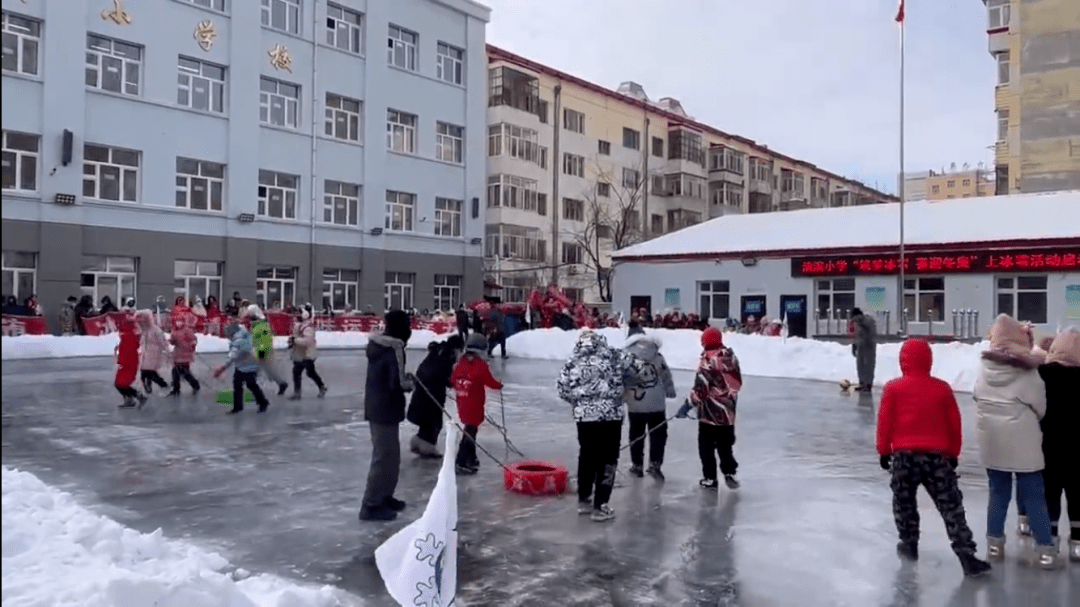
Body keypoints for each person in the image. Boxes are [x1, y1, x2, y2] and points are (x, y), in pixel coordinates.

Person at [877, 339, 992, 577]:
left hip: (903, 457)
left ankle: (909, 545)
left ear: (903, 360)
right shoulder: (941, 389)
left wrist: (884, 450)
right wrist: (953, 453)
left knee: (904, 504)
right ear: (929, 360)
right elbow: (954, 424)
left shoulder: (893, 388)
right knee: (950, 506)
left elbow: (885, 422)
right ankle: (966, 555)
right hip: (936, 457)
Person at [973, 314, 1060, 569]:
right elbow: (1040, 407)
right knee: (1034, 495)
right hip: (1024, 442)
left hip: (991, 441)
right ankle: (1045, 549)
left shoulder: (984, 370)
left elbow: (977, 396)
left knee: (998, 493)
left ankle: (994, 544)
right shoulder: (1029, 373)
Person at [557, 330, 644, 522]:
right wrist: (622, 388)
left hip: (585, 418)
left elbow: (563, 389)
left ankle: (584, 500)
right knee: (608, 458)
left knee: (587, 456)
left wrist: (580, 403)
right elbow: (637, 369)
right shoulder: (614, 355)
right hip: (610, 416)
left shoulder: (572, 361)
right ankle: (601, 505)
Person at [360, 310, 415, 522]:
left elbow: (389, 374)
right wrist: (410, 383)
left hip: (378, 406)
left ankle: (385, 497)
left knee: (391, 457)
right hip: (384, 408)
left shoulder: (380, 345)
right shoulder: (394, 348)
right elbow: (397, 383)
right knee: (384, 458)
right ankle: (370, 505)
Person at [1037, 328, 1080, 562]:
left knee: (1050, 494)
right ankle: (1078, 543)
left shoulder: (1042, 374)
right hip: (1077, 450)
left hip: (1049, 446)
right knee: (1077, 495)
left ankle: (1050, 542)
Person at [688, 327, 743, 490]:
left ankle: (710, 478)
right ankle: (729, 472)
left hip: (710, 414)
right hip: (727, 413)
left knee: (706, 447)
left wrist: (691, 401)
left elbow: (702, 389)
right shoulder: (731, 358)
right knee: (725, 445)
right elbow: (736, 384)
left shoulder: (708, 361)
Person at [623, 321, 676, 480]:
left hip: (636, 403)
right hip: (657, 404)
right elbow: (666, 376)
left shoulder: (626, 357)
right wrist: (670, 392)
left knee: (636, 434)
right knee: (658, 434)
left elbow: (621, 379)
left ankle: (637, 465)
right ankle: (655, 464)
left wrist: (620, 398)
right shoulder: (658, 356)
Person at [452, 334, 504, 475]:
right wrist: (499, 385)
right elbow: (488, 381)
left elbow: (452, 379)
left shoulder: (460, 363)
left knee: (470, 429)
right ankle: (461, 461)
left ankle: (471, 458)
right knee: (470, 432)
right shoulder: (480, 365)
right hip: (474, 403)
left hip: (462, 401)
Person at [407, 335, 464, 458]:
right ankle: (427, 447)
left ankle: (419, 443)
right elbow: (444, 374)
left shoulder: (438, 351)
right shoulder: (447, 355)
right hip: (432, 391)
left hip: (424, 388)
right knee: (433, 421)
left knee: (427, 419)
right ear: (457, 348)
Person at [214, 323, 269, 414]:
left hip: (246, 367)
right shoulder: (246, 335)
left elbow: (232, 358)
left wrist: (221, 369)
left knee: (243, 386)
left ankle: (259, 403)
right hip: (250, 365)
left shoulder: (238, 342)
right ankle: (260, 403)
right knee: (248, 385)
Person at [245, 304, 289, 396]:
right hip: (259, 352)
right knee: (257, 370)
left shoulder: (262, 326)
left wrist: (261, 350)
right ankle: (253, 386)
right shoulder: (257, 326)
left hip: (264, 352)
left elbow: (266, 340)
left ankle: (281, 384)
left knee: (269, 370)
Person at [288, 304, 327, 399]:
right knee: (297, 372)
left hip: (307, 354)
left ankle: (321, 387)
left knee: (309, 372)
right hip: (300, 353)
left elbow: (307, 341)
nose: (297, 314)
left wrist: (295, 340)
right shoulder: (300, 325)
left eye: (300, 312)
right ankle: (298, 392)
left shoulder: (308, 327)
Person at [114, 313, 147, 409]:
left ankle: (138, 397)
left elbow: (128, 352)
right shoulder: (129, 335)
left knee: (121, 384)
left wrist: (121, 363)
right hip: (128, 363)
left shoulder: (128, 336)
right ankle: (131, 399)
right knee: (121, 384)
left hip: (127, 364)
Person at [135, 310, 170, 394]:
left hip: (154, 355)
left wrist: (165, 351)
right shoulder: (143, 331)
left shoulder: (155, 330)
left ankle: (159, 386)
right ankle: (152, 387)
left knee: (148, 373)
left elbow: (163, 342)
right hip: (146, 354)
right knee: (148, 373)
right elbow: (140, 341)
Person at [167, 313, 200, 395]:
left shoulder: (187, 330)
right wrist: (172, 341)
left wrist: (192, 345)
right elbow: (174, 341)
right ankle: (176, 388)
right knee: (176, 371)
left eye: (180, 321)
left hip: (185, 354)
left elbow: (193, 339)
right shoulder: (174, 331)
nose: (178, 323)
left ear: (183, 322)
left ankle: (195, 384)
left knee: (184, 372)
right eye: (177, 321)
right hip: (177, 354)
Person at [850, 308, 878, 392]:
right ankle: (862, 383)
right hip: (861, 347)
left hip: (869, 347)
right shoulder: (859, 324)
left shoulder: (868, 321)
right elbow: (858, 335)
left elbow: (868, 327)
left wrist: (859, 320)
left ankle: (868, 384)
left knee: (868, 365)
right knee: (860, 365)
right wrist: (854, 345)